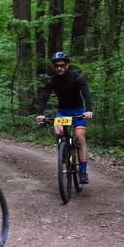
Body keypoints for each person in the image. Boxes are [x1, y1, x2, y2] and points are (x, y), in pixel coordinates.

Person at [36, 51, 93, 183]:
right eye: (57, 66)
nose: (59, 68)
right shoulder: (52, 81)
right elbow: (44, 97)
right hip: (63, 112)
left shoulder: (76, 78)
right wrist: (40, 113)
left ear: (67, 65)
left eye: (62, 65)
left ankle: (83, 171)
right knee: (58, 132)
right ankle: (64, 151)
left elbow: (86, 94)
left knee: (80, 137)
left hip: (78, 111)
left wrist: (89, 110)